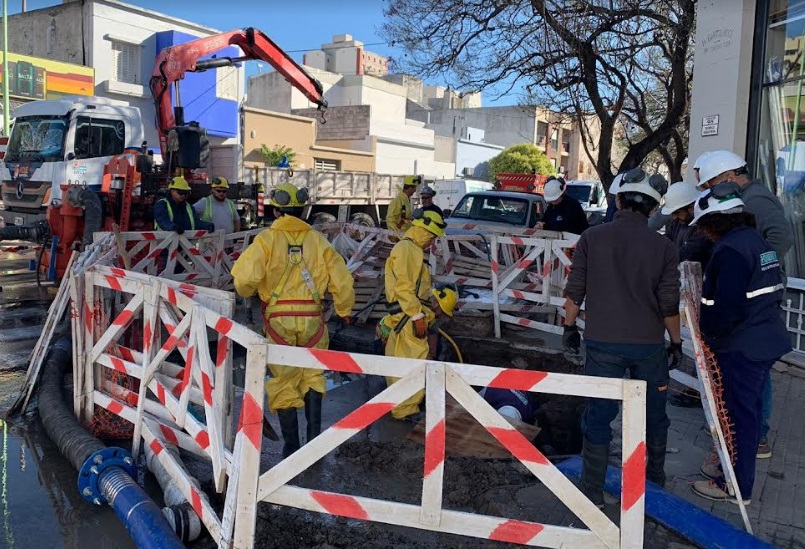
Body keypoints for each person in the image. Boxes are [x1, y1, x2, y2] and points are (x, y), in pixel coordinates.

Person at [563, 167, 680, 505]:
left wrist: (569, 329)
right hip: (648, 347)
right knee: (654, 416)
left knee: (599, 417)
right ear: (653, 209)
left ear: (617, 201)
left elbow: (574, 292)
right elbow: (668, 304)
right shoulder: (664, 247)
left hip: (602, 344)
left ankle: (592, 492)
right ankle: (654, 485)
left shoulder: (592, 238)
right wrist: (676, 343)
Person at [230, 182, 355, 458]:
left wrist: (250, 292)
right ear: (304, 211)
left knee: (284, 381)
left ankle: (292, 448)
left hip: (279, 322)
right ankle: (313, 445)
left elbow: (244, 281)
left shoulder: (266, 240)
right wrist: (344, 309)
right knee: (313, 375)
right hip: (313, 320)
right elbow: (342, 280)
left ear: (276, 211)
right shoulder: (319, 242)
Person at [689, 183, 791, 504]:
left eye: (703, 225)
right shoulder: (757, 243)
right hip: (765, 339)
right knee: (749, 412)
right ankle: (732, 471)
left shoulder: (731, 252)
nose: (703, 233)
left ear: (715, 221)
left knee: (737, 416)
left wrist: (709, 337)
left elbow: (727, 308)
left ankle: (734, 486)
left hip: (743, 346)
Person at [382, 208, 447, 420]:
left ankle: (399, 405)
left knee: (399, 362)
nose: (432, 243)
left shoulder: (408, 248)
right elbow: (404, 288)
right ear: (425, 232)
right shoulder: (408, 250)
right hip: (408, 317)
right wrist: (417, 316)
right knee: (414, 363)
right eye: (433, 237)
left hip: (403, 316)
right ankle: (406, 409)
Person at [375, 282, 458, 358]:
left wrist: (432, 356)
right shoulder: (417, 316)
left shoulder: (427, 310)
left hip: (392, 328)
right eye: (442, 311)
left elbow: (433, 332)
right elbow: (414, 349)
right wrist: (426, 359)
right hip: (387, 333)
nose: (441, 315)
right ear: (436, 304)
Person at [662, 182, 712, 267]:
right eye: (672, 213)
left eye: (677, 213)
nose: (674, 217)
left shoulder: (703, 226)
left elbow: (689, 251)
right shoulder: (675, 223)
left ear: (691, 207)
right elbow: (665, 242)